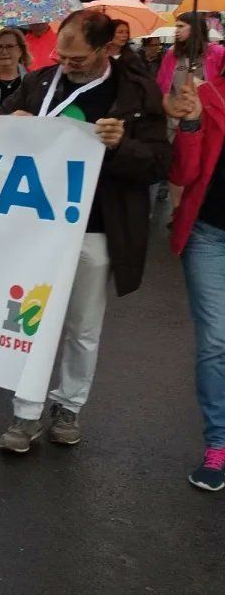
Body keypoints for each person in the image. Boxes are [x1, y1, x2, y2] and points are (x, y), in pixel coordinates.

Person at [0, 9, 170, 454]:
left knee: (83, 326)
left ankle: (69, 405)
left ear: (106, 48)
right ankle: (26, 410)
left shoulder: (135, 93)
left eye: (76, 58)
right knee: (27, 320)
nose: (66, 64)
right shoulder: (38, 84)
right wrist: (6, 124)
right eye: (61, 55)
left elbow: (157, 164)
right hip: (37, 224)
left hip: (96, 226)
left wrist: (120, 146)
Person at [165, 64, 225, 491]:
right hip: (209, 236)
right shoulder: (205, 94)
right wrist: (188, 123)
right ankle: (218, 445)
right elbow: (183, 174)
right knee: (216, 340)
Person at [158, 12, 225, 99]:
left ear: (195, 29)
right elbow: (161, 84)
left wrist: (206, 86)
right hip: (176, 109)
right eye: (176, 26)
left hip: (207, 109)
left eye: (181, 26)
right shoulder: (171, 54)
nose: (176, 30)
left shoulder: (217, 52)